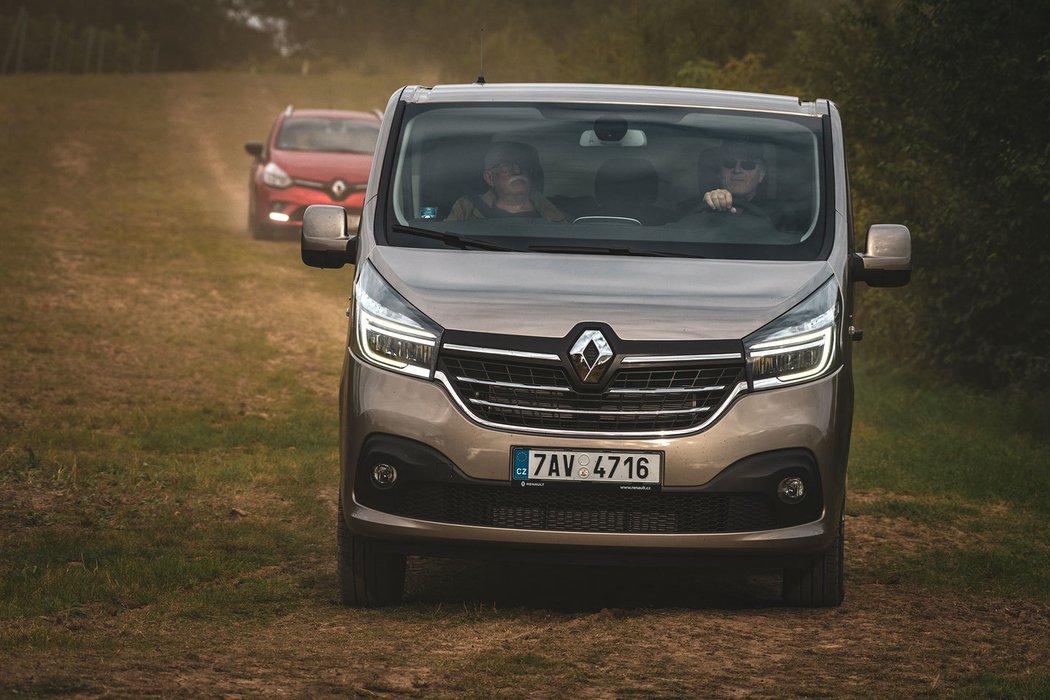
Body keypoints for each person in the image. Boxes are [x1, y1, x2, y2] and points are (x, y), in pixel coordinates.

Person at [446, 141, 566, 221]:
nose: (517, 171)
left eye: (523, 166)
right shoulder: (466, 208)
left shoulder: (555, 212)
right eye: (506, 167)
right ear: (489, 177)